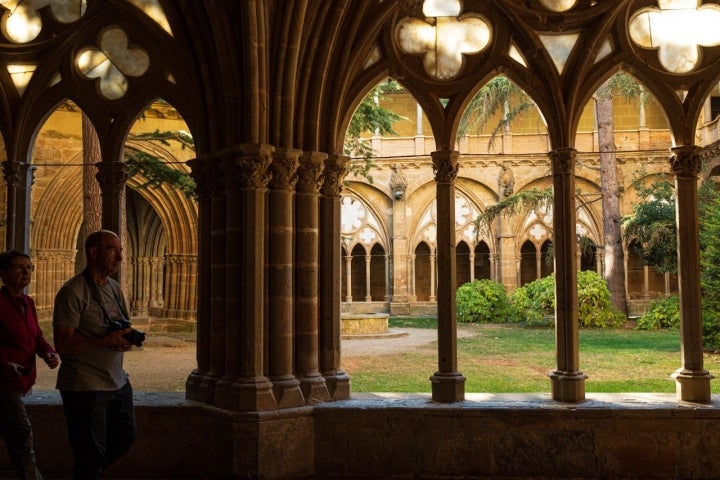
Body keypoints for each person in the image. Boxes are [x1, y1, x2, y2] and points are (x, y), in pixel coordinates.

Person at [53, 230, 137, 480]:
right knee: (90, 454)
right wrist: (104, 340)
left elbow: (123, 325)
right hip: (85, 386)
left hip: (117, 381)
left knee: (125, 437)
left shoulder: (114, 287)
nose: (120, 257)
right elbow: (63, 344)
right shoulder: (73, 292)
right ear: (93, 252)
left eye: (121, 251)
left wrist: (127, 338)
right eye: (113, 250)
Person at [0, 250, 60, 480]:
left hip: (19, 381)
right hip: (3, 383)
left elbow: (35, 337)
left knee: (13, 433)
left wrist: (49, 353)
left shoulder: (28, 303)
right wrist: (4, 363)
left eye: (29, 267)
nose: (26, 272)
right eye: (19, 267)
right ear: (3, 274)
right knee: (22, 435)